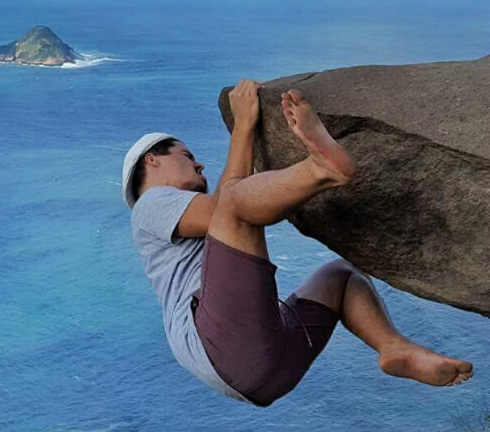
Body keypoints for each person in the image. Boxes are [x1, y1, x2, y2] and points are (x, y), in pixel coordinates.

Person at [123, 79, 473, 406]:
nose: (199, 163)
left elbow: (232, 209)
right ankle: (323, 169)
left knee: (342, 278)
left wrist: (246, 133)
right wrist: (244, 125)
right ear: (152, 159)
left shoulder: (180, 221)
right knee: (230, 203)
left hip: (267, 372)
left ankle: (392, 346)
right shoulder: (149, 205)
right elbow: (226, 208)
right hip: (221, 346)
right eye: (186, 155)